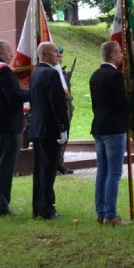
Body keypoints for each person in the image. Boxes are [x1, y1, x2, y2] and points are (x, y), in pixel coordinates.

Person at [0, 40, 30, 216]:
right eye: (9, 52)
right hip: (5, 125)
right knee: (3, 167)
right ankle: (0, 206)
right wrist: (33, 92)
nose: (12, 56)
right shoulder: (3, 70)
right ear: (1, 53)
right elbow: (14, 97)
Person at [89, 40, 131, 225]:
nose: (122, 55)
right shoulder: (114, 76)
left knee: (102, 171)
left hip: (99, 125)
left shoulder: (95, 75)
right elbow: (122, 103)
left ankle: (101, 211)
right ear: (113, 55)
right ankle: (111, 214)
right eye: (120, 52)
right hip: (113, 127)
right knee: (114, 172)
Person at [29, 42, 69, 220]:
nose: (57, 56)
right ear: (44, 54)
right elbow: (57, 104)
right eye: (54, 52)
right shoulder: (51, 74)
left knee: (40, 169)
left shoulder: (36, 73)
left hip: (38, 128)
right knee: (48, 169)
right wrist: (63, 127)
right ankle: (46, 207)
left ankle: (38, 205)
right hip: (49, 129)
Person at [55, 46, 75, 176]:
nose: (60, 58)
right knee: (59, 137)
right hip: (60, 109)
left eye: (61, 56)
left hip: (67, 108)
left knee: (65, 137)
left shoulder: (62, 73)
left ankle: (60, 163)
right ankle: (57, 165)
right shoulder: (54, 73)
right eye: (58, 56)